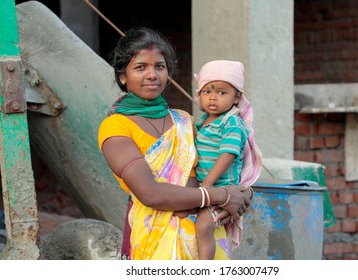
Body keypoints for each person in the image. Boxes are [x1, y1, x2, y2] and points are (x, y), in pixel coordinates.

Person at [97, 27, 253, 260]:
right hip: (153, 238)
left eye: (159, 66)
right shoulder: (116, 127)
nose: (152, 75)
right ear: (123, 76)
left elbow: (227, 165)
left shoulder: (185, 120)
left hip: (205, 238)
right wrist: (219, 195)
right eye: (141, 67)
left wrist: (243, 193)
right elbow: (150, 193)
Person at [192, 60, 262, 259]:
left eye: (222, 93)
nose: (213, 98)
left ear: (236, 96)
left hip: (222, 189)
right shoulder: (203, 122)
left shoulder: (231, 122)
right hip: (206, 189)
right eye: (207, 92)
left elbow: (227, 155)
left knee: (204, 226)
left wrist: (206, 185)